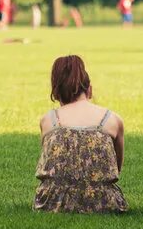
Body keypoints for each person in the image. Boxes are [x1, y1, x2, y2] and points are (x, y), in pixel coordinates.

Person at [34, 55, 127, 214]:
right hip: (105, 203)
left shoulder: (49, 120)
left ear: (56, 91)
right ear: (89, 88)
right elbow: (116, 169)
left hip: (52, 203)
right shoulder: (112, 120)